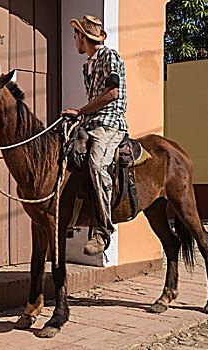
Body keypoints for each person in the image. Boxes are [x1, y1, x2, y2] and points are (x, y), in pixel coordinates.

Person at [61, 15, 128, 256]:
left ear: (83, 37)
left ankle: (103, 231)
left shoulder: (109, 56)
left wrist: (80, 110)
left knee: (97, 166)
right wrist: (78, 116)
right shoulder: (86, 65)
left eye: (75, 36)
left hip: (109, 123)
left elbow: (112, 94)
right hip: (91, 123)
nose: (74, 41)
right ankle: (70, 216)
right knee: (66, 155)